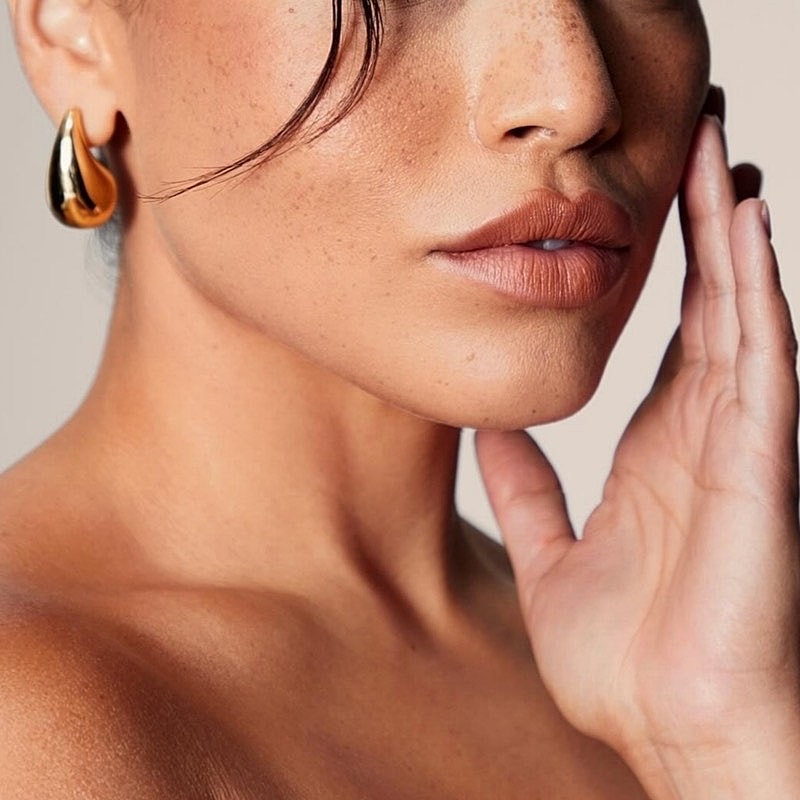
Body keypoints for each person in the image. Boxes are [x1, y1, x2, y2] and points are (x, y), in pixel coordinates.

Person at [1, 0, 798, 797]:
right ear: (72, 28)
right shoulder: (36, 730)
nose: (577, 95)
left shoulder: (659, 674)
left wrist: (721, 746)